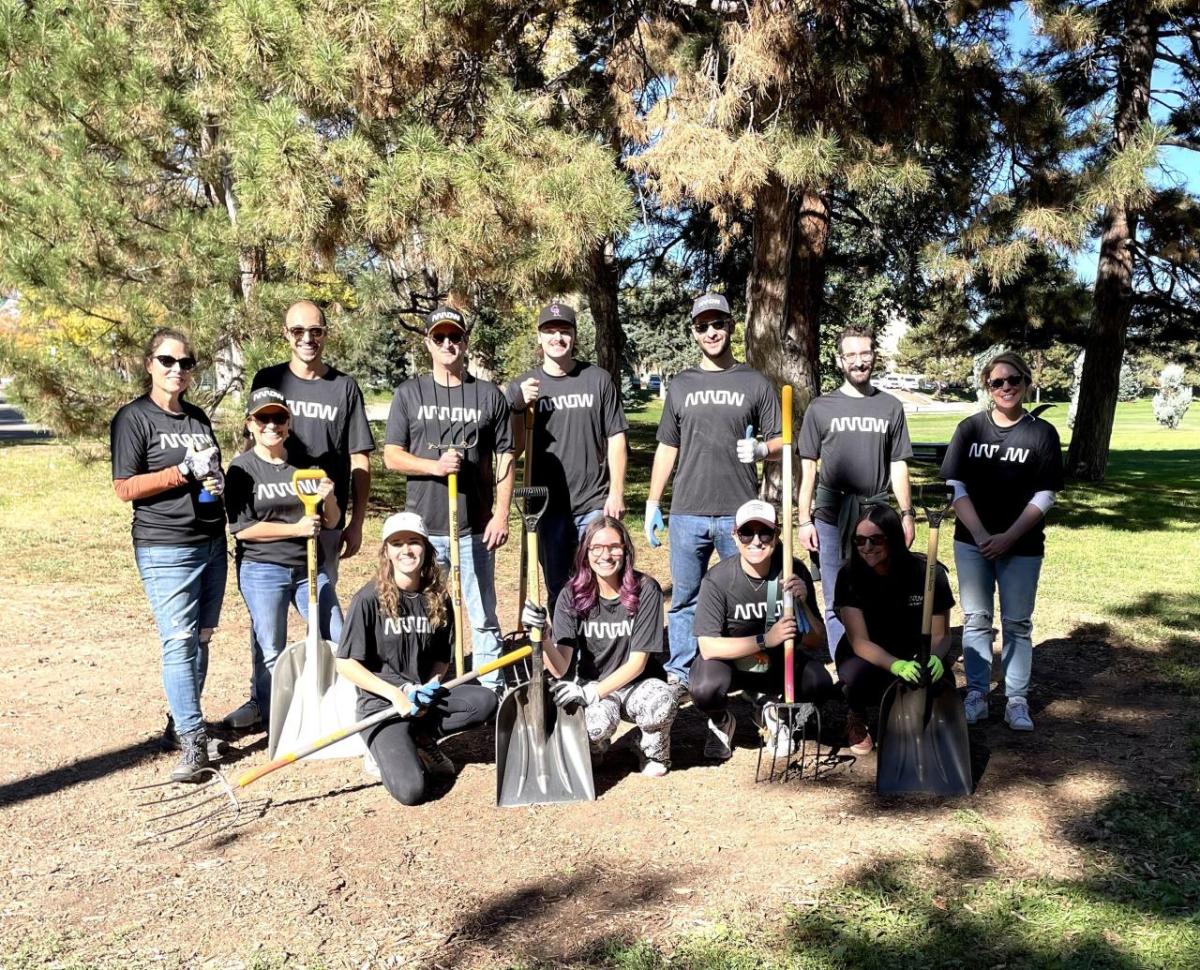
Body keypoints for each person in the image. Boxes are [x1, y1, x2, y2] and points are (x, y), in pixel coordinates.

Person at [226, 301, 375, 729]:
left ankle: (339, 699)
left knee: (329, 622)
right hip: (273, 526)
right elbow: (253, 442)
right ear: (285, 333)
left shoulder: (343, 387)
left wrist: (357, 521)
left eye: (316, 331)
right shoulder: (269, 380)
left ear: (326, 333)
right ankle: (264, 701)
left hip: (323, 523)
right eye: (297, 331)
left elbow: (360, 458)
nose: (307, 339)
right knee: (265, 627)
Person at [645, 293, 782, 696]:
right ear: (694, 332)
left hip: (740, 516)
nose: (711, 332)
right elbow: (668, 446)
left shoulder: (754, 382)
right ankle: (682, 674)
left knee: (752, 594)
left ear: (730, 326)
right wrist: (654, 502)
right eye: (703, 326)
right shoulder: (682, 384)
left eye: (718, 323)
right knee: (686, 598)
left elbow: (782, 440)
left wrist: (762, 450)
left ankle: (757, 670)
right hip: (688, 511)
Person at [110, 328, 228, 781]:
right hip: (166, 546)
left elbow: (210, 472)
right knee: (178, 642)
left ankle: (179, 725)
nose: (176, 369)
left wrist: (216, 483)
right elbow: (125, 487)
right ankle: (194, 741)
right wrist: (181, 472)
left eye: (185, 362)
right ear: (149, 365)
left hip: (211, 541)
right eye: (166, 361)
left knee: (200, 639)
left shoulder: (197, 417)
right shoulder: (133, 419)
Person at [384, 305, 514, 691]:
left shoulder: (488, 395)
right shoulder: (409, 393)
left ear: (465, 342)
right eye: (439, 337)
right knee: (425, 613)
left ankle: (491, 690)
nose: (447, 343)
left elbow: (505, 457)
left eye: (454, 336)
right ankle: (425, 684)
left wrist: (501, 513)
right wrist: (434, 466)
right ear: (428, 343)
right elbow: (392, 455)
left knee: (483, 614)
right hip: (422, 529)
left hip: (474, 528)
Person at [335, 512, 498, 804]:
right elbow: (345, 662)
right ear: (386, 551)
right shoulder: (369, 599)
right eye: (397, 544)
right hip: (382, 706)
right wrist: (395, 694)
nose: (406, 550)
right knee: (412, 791)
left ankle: (421, 736)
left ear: (426, 548)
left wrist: (430, 685)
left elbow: (440, 657)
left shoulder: (436, 596)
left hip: (421, 700)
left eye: (414, 542)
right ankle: (382, 751)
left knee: (485, 701)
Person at [940, 351, 1063, 732]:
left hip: (1022, 546)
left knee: (1017, 623)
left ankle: (1016, 699)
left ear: (1026, 383)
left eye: (1013, 380)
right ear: (987, 388)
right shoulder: (970, 429)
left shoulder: (1041, 433)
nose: (1006, 387)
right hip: (972, 542)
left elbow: (1046, 494)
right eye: (997, 382)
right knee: (976, 620)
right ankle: (976, 694)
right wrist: (980, 535)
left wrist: (1009, 537)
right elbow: (955, 486)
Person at [223, 388, 342, 732]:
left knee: (336, 632)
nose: (271, 425)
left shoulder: (304, 466)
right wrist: (295, 529)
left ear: (289, 424)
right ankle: (271, 712)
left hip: (309, 570)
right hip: (263, 570)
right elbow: (241, 529)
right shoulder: (242, 469)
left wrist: (329, 497)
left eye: (279, 418)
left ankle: (332, 702)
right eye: (263, 418)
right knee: (270, 647)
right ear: (250, 424)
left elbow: (330, 521)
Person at [520, 517, 677, 777]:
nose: (606, 555)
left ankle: (649, 747)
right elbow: (560, 668)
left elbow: (638, 663)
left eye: (614, 547)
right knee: (594, 733)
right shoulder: (570, 596)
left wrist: (593, 694)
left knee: (662, 702)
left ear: (626, 551)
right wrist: (543, 637)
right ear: (585, 552)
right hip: (594, 684)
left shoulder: (646, 590)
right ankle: (596, 747)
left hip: (639, 684)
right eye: (597, 548)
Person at [798, 325, 915, 661]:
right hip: (832, 515)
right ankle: (847, 671)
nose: (859, 361)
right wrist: (804, 520)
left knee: (880, 592)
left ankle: (878, 664)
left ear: (874, 356)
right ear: (840, 360)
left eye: (865, 353)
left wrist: (906, 515)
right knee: (837, 597)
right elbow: (808, 470)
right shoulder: (821, 408)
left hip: (877, 516)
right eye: (851, 355)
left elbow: (898, 466)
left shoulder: (890, 407)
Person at [506, 302, 628, 612]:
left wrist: (616, 492)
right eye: (550, 331)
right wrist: (519, 406)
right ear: (539, 337)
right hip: (547, 506)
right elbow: (516, 447)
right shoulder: (525, 385)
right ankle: (563, 653)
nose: (557, 338)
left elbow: (616, 437)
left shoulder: (597, 380)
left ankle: (599, 648)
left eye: (564, 331)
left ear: (574, 336)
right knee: (559, 586)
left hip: (593, 502)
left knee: (602, 579)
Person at [690, 500, 833, 761]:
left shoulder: (792, 571)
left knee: (820, 683)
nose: (756, 541)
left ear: (777, 536)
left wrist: (804, 605)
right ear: (735, 537)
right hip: (733, 666)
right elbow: (708, 647)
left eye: (764, 532)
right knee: (704, 687)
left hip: (780, 664)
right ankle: (721, 721)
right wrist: (765, 639)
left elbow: (814, 641)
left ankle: (779, 716)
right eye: (747, 532)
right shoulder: (718, 580)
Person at [834, 504, 955, 755]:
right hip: (868, 654)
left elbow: (942, 634)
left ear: (893, 538)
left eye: (876, 540)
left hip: (915, 650)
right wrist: (896, 666)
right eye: (860, 540)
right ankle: (856, 713)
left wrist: (934, 656)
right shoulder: (849, 576)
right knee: (856, 675)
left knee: (943, 681)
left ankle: (924, 722)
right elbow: (860, 642)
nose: (867, 547)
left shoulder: (929, 574)